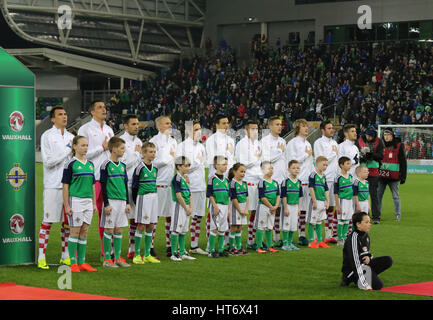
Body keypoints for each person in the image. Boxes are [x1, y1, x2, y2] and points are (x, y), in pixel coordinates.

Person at [38, 106, 75, 270]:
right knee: (48, 222)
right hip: (53, 185)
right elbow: (48, 162)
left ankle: (65, 256)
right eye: (60, 114)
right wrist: (67, 151)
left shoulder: (72, 137)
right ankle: (41, 257)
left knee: (67, 224)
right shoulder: (47, 136)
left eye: (66, 114)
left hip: (70, 186)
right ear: (52, 119)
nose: (64, 117)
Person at [77, 100, 114, 260]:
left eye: (104, 107)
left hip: (107, 178)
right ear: (92, 112)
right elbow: (80, 153)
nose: (103, 109)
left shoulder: (109, 129)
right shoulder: (85, 129)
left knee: (106, 216)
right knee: (84, 217)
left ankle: (106, 252)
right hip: (90, 179)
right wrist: (102, 147)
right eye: (100, 107)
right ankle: (77, 255)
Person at [62, 136, 98, 273]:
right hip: (75, 201)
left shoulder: (90, 164)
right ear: (75, 146)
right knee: (75, 232)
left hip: (88, 202)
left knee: (84, 232)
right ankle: (73, 263)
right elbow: (65, 186)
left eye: (87, 145)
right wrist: (67, 205)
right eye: (82, 145)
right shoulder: (70, 164)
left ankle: (82, 262)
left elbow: (93, 186)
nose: (85, 148)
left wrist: (94, 203)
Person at [176, 120, 207, 255]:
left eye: (200, 129)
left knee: (198, 217)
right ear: (188, 131)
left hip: (200, 185)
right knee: (185, 217)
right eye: (196, 129)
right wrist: (196, 162)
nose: (199, 131)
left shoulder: (201, 147)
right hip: (189, 186)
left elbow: (203, 165)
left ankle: (194, 246)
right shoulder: (182, 146)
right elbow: (182, 166)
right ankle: (178, 246)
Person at [341, 211, 393, 290]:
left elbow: (365, 253)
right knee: (378, 285)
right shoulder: (353, 238)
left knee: (388, 260)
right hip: (353, 270)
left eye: (369, 222)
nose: (370, 224)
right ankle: (351, 279)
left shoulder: (366, 235)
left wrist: (369, 257)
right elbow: (355, 262)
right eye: (366, 222)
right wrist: (364, 284)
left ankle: (370, 276)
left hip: (363, 265)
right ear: (358, 224)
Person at [100, 137, 131, 268]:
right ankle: (107, 259)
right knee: (109, 229)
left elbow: (125, 184)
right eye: (122, 148)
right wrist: (106, 203)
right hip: (111, 202)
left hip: (122, 202)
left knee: (118, 229)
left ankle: (118, 258)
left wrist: (128, 203)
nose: (124, 150)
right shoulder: (105, 165)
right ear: (113, 149)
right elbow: (103, 185)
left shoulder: (123, 166)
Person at [149, 115, 178, 257]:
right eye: (166, 123)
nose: (170, 126)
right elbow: (152, 162)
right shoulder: (153, 141)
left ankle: (169, 245)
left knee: (170, 216)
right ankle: (151, 246)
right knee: (155, 216)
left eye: (170, 123)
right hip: (158, 184)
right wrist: (168, 159)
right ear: (159, 126)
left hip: (170, 184)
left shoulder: (173, 142)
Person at [131, 142, 161, 264]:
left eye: (154, 152)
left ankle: (147, 254)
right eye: (150, 152)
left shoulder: (155, 168)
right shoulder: (139, 168)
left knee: (151, 225)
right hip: (143, 198)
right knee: (141, 225)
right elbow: (134, 186)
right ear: (143, 153)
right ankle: (137, 255)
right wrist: (137, 202)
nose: (153, 154)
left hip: (154, 198)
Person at [235, 120, 262, 250]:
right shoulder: (242, 144)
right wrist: (257, 159)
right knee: (242, 212)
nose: (255, 131)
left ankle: (251, 240)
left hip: (258, 180)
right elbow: (242, 164)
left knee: (256, 211)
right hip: (247, 181)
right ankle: (234, 242)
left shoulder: (258, 144)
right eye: (252, 129)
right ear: (246, 131)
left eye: (256, 129)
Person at [286, 119, 314, 246]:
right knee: (294, 209)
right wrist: (305, 155)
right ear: (297, 128)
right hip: (298, 181)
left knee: (304, 210)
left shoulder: (308, 143)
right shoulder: (292, 143)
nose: (306, 128)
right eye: (303, 126)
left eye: (307, 126)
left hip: (308, 180)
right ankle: (289, 236)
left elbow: (310, 162)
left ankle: (302, 234)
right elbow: (292, 161)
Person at [261, 116, 287, 247]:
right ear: (270, 126)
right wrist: (279, 151)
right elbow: (266, 159)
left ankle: (277, 237)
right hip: (271, 180)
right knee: (268, 211)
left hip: (281, 179)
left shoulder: (283, 140)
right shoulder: (265, 141)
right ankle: (265, 239)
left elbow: (284, 160)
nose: (280, 126)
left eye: (280, 124)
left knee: (280, 209)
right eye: (277, 124)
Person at [119, 114, 143, 259]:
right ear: (126, 126)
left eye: (137, 124)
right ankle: (113, 252)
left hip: (136, 184)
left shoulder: (139, 141)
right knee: (121, 219)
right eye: (133, 124)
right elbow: (121, 164)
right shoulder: (120, 141)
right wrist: (135, 153)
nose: (136, 127)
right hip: (124, 184)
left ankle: (132, 248)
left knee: (135, 218)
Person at [313, 120, 339, 243]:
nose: (331, 130)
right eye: (329, 128)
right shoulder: (318, 142)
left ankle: (329, 233)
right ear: (323, 130)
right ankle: (315, 234)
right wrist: (333, 154)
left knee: (331, 206)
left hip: (334, 177)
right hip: (324, 178)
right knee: (320, 206)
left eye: (332, 128)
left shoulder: (335, 142)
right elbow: (320, 159)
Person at [376, 128, 407, 223]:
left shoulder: (398, 145)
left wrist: (403, 176)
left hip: (394, 177)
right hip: (381, 176)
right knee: (378, 196)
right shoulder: (380, 145)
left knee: (396, 196)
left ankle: (397, 214)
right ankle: (377, 214)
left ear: (392, 135)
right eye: (385, 135)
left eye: (388, 135)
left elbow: (403, 161)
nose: (386, 137)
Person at [169, 156, 196, 262]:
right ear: (179, 167)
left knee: (183, 230)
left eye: (189, 165)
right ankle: (174, 253)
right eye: (186, 166)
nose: (188, 168)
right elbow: (178, 195)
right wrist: (186, 207)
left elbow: (189, 194)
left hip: (186, 207)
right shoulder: (177, 179)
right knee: (176, 229)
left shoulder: (185, 179)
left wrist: (191, 207)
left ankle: (182, 252)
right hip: (179, 206)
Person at [356, 126, 383, 222]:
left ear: (374, 135)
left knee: (374, 194)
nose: (369, 138)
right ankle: (360, 215)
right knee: (360, 194)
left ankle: (376, 217)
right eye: (367, 135)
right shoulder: (359, 140)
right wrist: (362, 156)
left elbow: (381, 156)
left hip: (373, 171)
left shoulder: (379, 141)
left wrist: (371, 155)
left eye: (371, 136)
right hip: (361, 171)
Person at [206, 156, 231, 258]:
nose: (225, 166)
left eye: (226, 164)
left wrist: (228, 208)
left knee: (222, 229)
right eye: (223, 164)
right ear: (216, 165)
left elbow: (229, 195)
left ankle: (220, 250)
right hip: (216, 206)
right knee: (214, 228)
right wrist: (215, 206)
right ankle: (211, 250)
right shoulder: (212, 179)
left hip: (225, 206)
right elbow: (210, 194)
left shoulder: (226, 180)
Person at [255, 161, 281, 254]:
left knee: (270, 227)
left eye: (272, 168)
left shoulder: (275, 183)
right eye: (268, 168)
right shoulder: (262, 183)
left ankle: (270, 246)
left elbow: (278, 195)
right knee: (261, 226)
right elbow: (262, 197)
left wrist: (276, 206)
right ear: (262, 170)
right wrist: (271, 206)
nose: (271, 170)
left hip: (273, 208)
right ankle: (259, 247)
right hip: (263, 207)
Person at [307, 156, 330, 249]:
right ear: (317, 164)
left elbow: (326, 189)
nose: (325, 166)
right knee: (312, 222)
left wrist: (327, 201)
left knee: (319, 222)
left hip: (322, 202)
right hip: (315, 201)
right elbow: (311, 188)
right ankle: (311, 241)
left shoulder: (324, 176)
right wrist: (314, 201)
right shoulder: (313, 175)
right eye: (323, 164)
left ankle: (320, 241)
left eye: (326, 165)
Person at [280, 160, 303, 251]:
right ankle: (285, 244)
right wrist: (285, 208)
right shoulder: (285, 182)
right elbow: (283, 196)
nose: (296, 170)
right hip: (288, 206)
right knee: (286, 225)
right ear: (289, 170)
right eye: (293, 168)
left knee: (293, 225)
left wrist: (299, 208)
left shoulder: (299, 182)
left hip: (295, 206)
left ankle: (290, 243)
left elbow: (300, 196)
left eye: (297, 168)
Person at [228, 163, 250, 255]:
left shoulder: (244, 183)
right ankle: (231, 248)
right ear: (234, 172)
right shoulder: (232, 183)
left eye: (244, 172)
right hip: (235, 208)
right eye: (241, 171)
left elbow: (247, 197)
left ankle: (239, 247)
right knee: (234, 227)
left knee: (240, 227)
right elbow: (234, 198)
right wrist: (240, 210)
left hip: (243, 208)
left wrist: (246, 209)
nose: (243, 173)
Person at [334, 156, 354, 246]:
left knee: (347, 220)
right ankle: (340, 239)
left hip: (350, 201)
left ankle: (345, 238)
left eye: (350, 163)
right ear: (341, 165)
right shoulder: (338, 178)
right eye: (347, 164)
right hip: (342, 201)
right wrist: (338, 205)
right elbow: (335, 192)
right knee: (341, 220)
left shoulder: (350, 176)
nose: (350, 165)